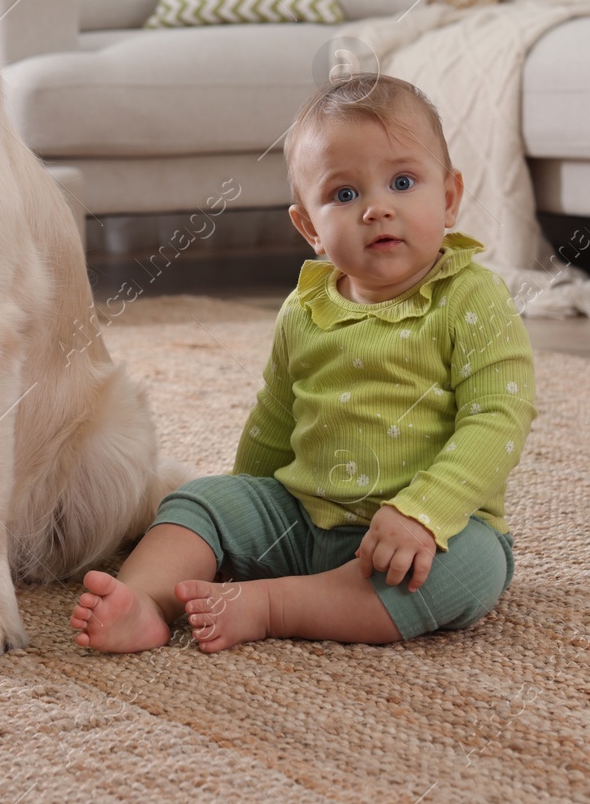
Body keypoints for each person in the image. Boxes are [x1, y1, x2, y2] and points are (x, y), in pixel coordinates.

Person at [69, 72, 535, 652]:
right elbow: (276, 415)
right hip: (302, 516)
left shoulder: (473, 298)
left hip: (427, 534)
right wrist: (241, 510)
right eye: (345, 194)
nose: (376, 209)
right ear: (310, 227)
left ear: (448, 198)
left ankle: (275, 605)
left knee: (469, 570)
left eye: (403, 181)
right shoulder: (306, 308)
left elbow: (499, 418)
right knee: (199, 499)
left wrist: (423, 511)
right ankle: (145, 601)